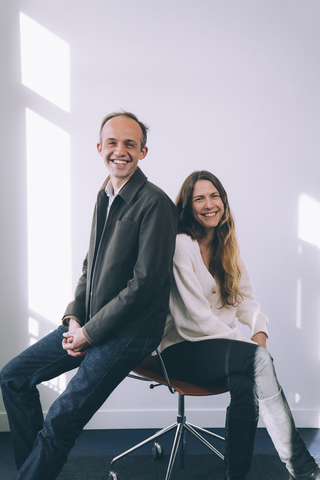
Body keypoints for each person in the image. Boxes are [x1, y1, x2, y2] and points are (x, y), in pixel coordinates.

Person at [0, 112, 177, 480]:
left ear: (143, 151)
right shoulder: (105, 194)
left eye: (130, 143)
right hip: (92, 324)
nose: (120, 151)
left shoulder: (155, 203)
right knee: (14, 377)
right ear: (100, 148)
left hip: (132, 333)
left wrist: (90, 334)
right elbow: (89, 267)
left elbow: (145, 284)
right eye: (112, 142)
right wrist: (74, 319)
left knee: (62, 417)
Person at [159, 170, 320, 480]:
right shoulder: (182, 246)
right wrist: (249, 350)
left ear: (224, 201)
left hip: (219, 348)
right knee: (257, 362)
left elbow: (245, 300)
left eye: (214, 196)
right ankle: (302, 468)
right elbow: (195, 321)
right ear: (188, 206)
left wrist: (259, 331)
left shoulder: (226, 244)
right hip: (180, 349)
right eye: (199, 198)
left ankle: (235, 475)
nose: (209, 204)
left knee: (246, 384)